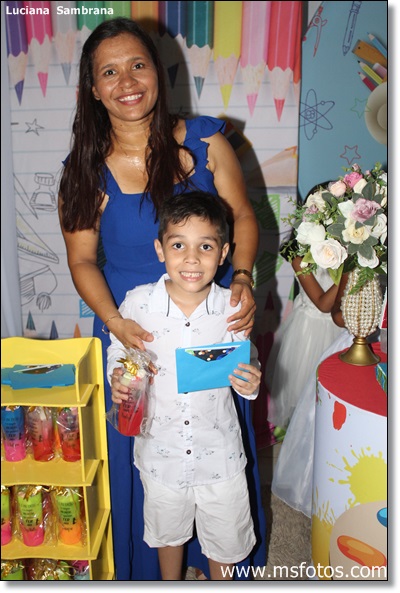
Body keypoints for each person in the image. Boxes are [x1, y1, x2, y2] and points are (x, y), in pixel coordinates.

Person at [58, 17, 265, 580]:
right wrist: (113, 322)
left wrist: (242, 276)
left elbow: (242, 216)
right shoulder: (84, 171)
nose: (127, 81)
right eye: (109, 72)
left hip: (207, 326)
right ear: (93, 89)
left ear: (157, 71)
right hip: (135, 332)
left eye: (138, 65)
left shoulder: (205, 141)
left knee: (216, 446)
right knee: (149, 458)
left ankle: (221, 560)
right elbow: (81, 261)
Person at [107, 191, 262, 580]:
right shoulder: (138, 304)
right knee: (168, 534)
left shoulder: (232, 307)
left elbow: (247, 363)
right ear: (160, 249)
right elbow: (119, 350)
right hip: (161, 453)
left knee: (225, 541)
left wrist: (251, 379)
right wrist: (118, 378)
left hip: (219, 454)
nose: (191, 259)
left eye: (205, 246)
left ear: (223, 253)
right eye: (178, 245)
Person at [266, 256, 345, 430]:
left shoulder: (344, 253)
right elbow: (323, 305)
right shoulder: (299, 258)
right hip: (310, 334)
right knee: (307, 397)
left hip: (341, 330)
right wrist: (349, 272)